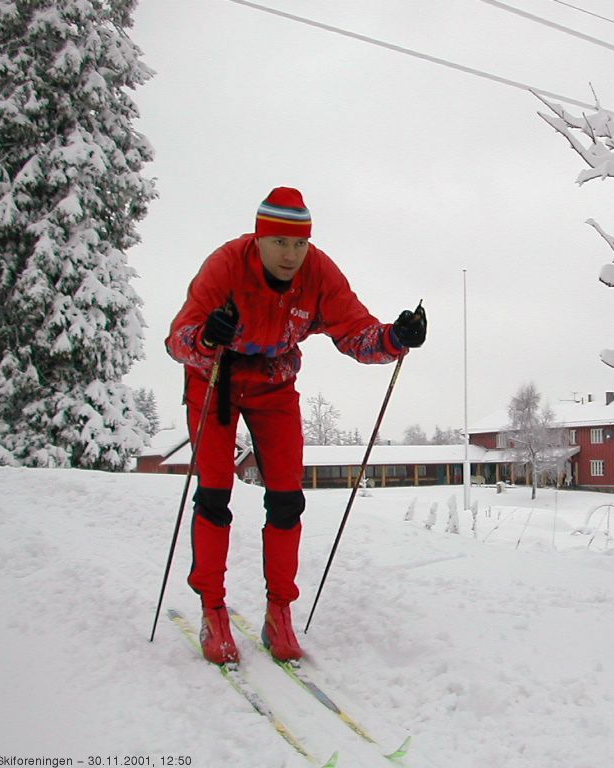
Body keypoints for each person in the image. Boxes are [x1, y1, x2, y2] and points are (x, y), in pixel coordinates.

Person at [165, 187, 426, 665]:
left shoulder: (319, 273)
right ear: (260, 238)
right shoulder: (225, 265)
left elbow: (357, 333)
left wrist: (395, 337)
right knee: (215, 492)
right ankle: (212, 609)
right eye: (280, 243)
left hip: (274, 381)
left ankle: (278, 611)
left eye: (300, 244)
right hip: (215, 377)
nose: (291, 255)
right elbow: (178, 339)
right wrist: (206, 337)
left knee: (287, 498)